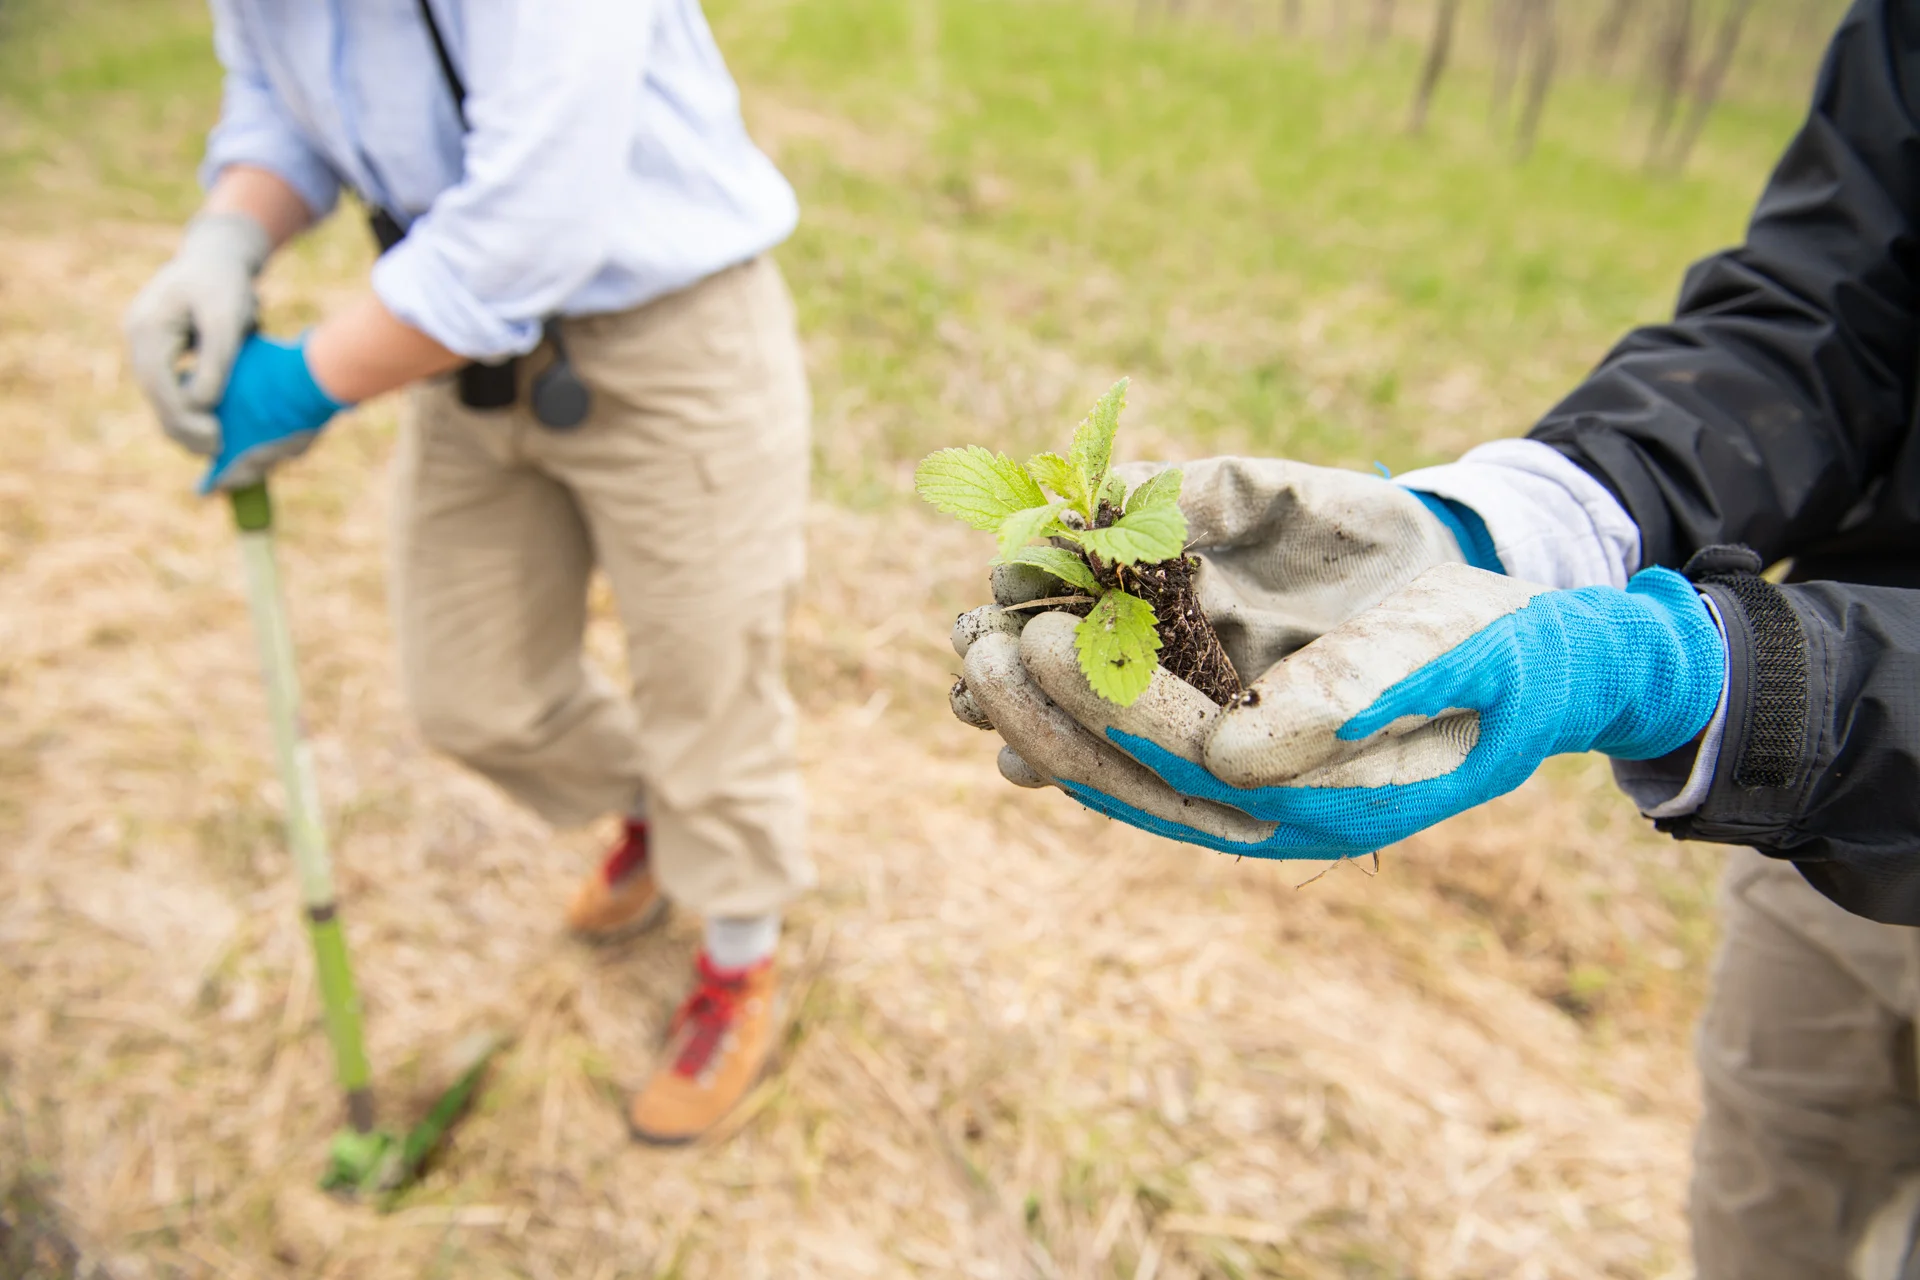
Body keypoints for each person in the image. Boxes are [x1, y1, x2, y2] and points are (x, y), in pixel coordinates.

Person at [952, 1, 1920, 1274]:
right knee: (1763, 1184)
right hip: (1829, 835)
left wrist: (1716, 676)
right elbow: (1828, 313)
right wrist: (1509, 521)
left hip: (1838, 733)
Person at [122, 0, 813, 1146]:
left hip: (672, 332)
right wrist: (226, 236)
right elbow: (279, 102)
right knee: (472, 689)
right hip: (462, 348)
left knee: (709, 686)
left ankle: (740, 947)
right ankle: (662, 806)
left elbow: (532, 221)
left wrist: (304, 379)